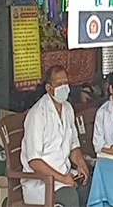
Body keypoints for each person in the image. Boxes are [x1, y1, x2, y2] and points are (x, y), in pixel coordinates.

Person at [21, 66, 90, 206]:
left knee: (87, 187)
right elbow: (34, 161)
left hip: (64, 175)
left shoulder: (68, 108)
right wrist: (63, 179)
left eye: (66, 83)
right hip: (41, 182)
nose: (64, 87)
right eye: (59, 84)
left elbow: (74, 146)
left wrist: (81, 164)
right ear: (49, 88)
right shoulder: (37, 114)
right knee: (69, 197)